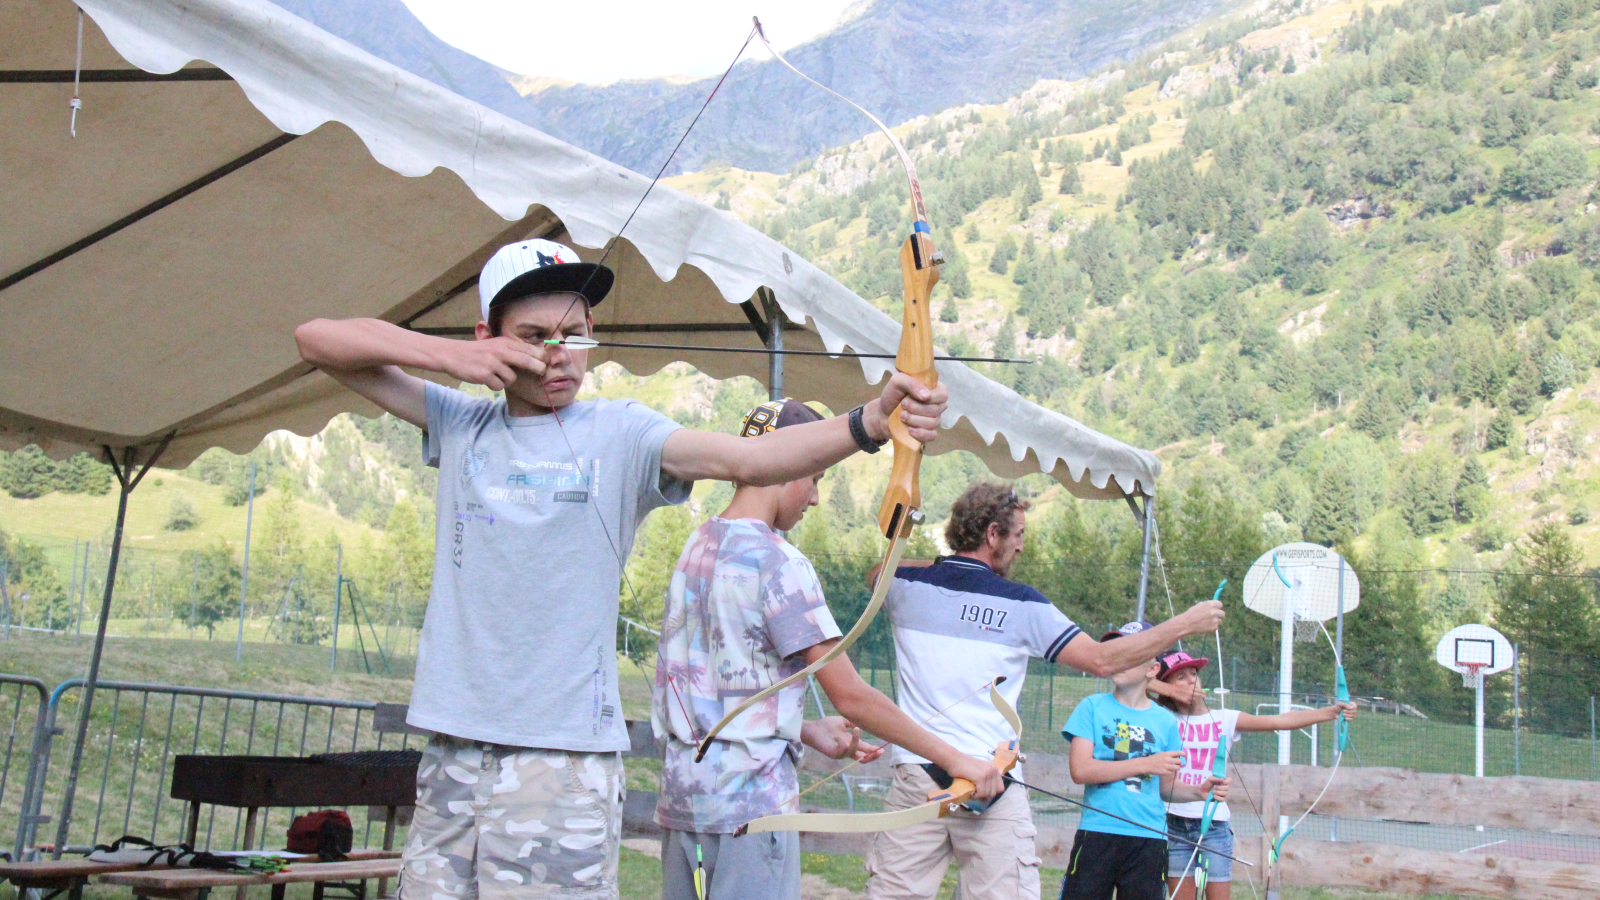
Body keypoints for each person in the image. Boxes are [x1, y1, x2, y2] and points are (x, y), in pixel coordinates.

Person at [293, 238, 951, 900]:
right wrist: (453, 359)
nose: (558, 354)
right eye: (534, 336)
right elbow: (315, 340)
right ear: (488, 337)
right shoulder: (460, 420)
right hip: (453, 754)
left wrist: (869, 421)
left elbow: (746, 461)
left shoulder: (623, 434)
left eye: (574, 335)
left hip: (561, 762)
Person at [651, 398, 1006, 900]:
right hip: (750, 815)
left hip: (682, 807)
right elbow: (851, 695)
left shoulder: (698, 546)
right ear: (789, 462)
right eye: (814, 477)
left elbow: (711, 694)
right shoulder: (778, 563)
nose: (814, 498)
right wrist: (958, 760)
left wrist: (806, 729)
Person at [863, 484, 1227, 900]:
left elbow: (876, 572)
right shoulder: (1022, 604)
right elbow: (1103, 660)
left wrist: (949, 566)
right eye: (1017, 535)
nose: (1019, 548)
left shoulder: (906, 585)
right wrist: (1184, 624)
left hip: (924, 776)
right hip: (990, 782)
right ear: (993, 534)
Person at [1150, 650, 1357, 900]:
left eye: (1194, 674)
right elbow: (1129, 682)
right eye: (1179, 678)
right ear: (1166, 686)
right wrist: (1167, 691)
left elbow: (1280, 721)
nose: (1191, 681)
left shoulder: (1223, 718)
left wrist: (1332, 712)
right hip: (1173, 823)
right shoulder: (1161, 718)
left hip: (1213, 825)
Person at [1058, 623, 1230, 900]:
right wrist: (1145, 764)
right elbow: (1081, 771)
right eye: (1116, 652)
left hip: (1150, 839)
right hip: (1098, 833)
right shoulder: (1091, 706)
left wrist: (1198, 792)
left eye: (1131, 653)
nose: (1119, 660)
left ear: (1152, 669)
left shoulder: (1165, 721)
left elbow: (1166, 787)